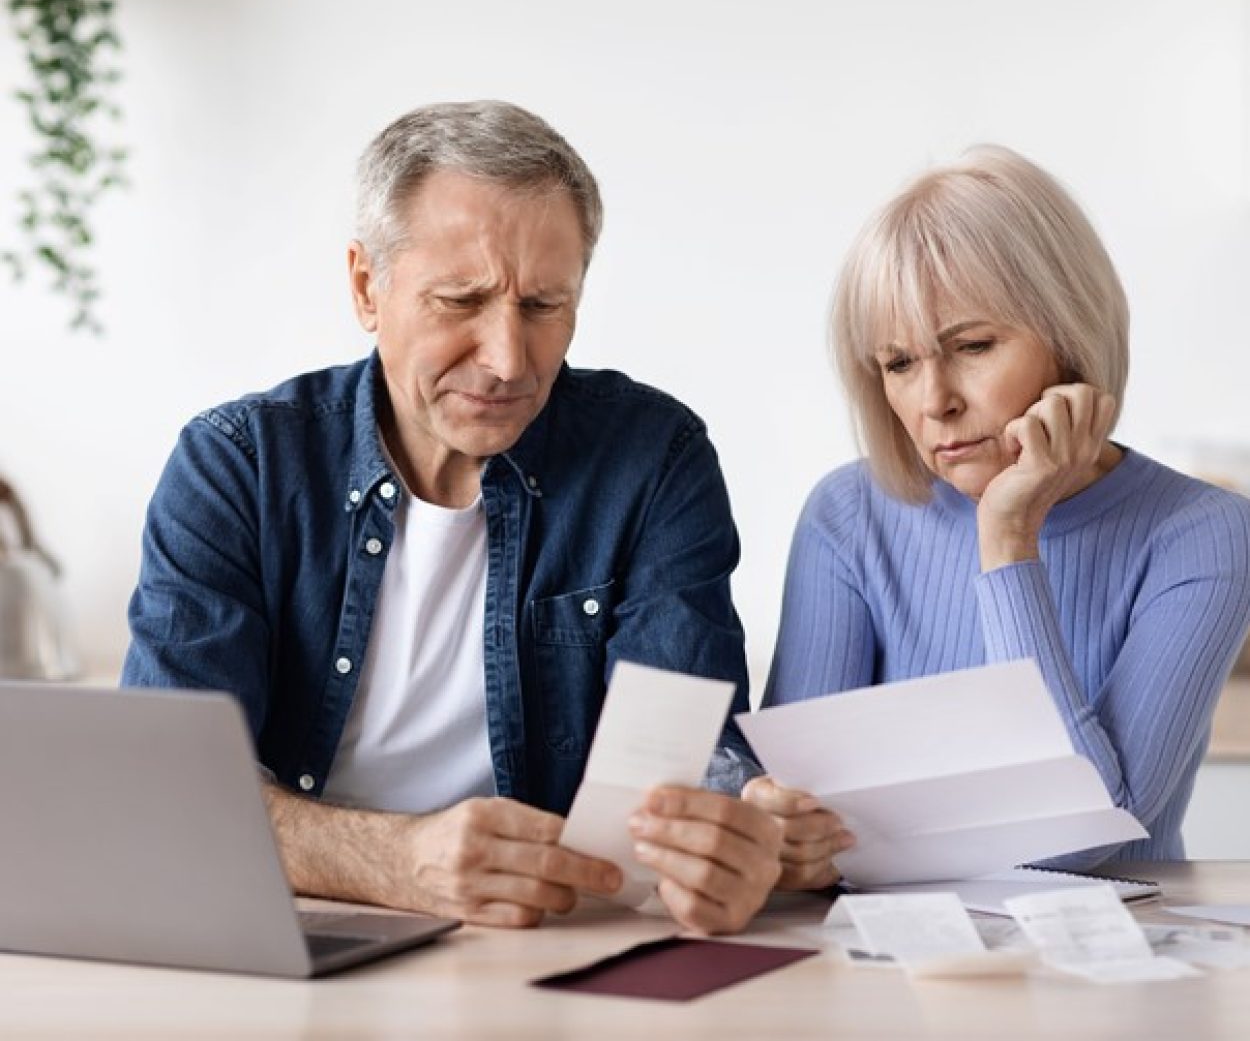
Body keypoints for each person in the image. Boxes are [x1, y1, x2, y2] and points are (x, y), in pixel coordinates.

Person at [123, 100, 780, 933]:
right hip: (293, 927)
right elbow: (167, 786)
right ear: (368, 288)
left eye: (544, 307)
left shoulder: (654, 459)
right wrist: (396, 860)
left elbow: (692, 758)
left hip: (550, 940)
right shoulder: (237, 466)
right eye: (461, 300)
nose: (509, 361)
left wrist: (732, 832)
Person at [747, 145, 1250, 884]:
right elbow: (802, 829)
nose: (933, 401)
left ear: (1070, 338)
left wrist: (1008, 537)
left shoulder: (1205, 532)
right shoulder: (847, 516)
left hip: (1117, 972)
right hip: (880, 965)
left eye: (973, 346)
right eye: (898, 363)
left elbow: (1087, 835)